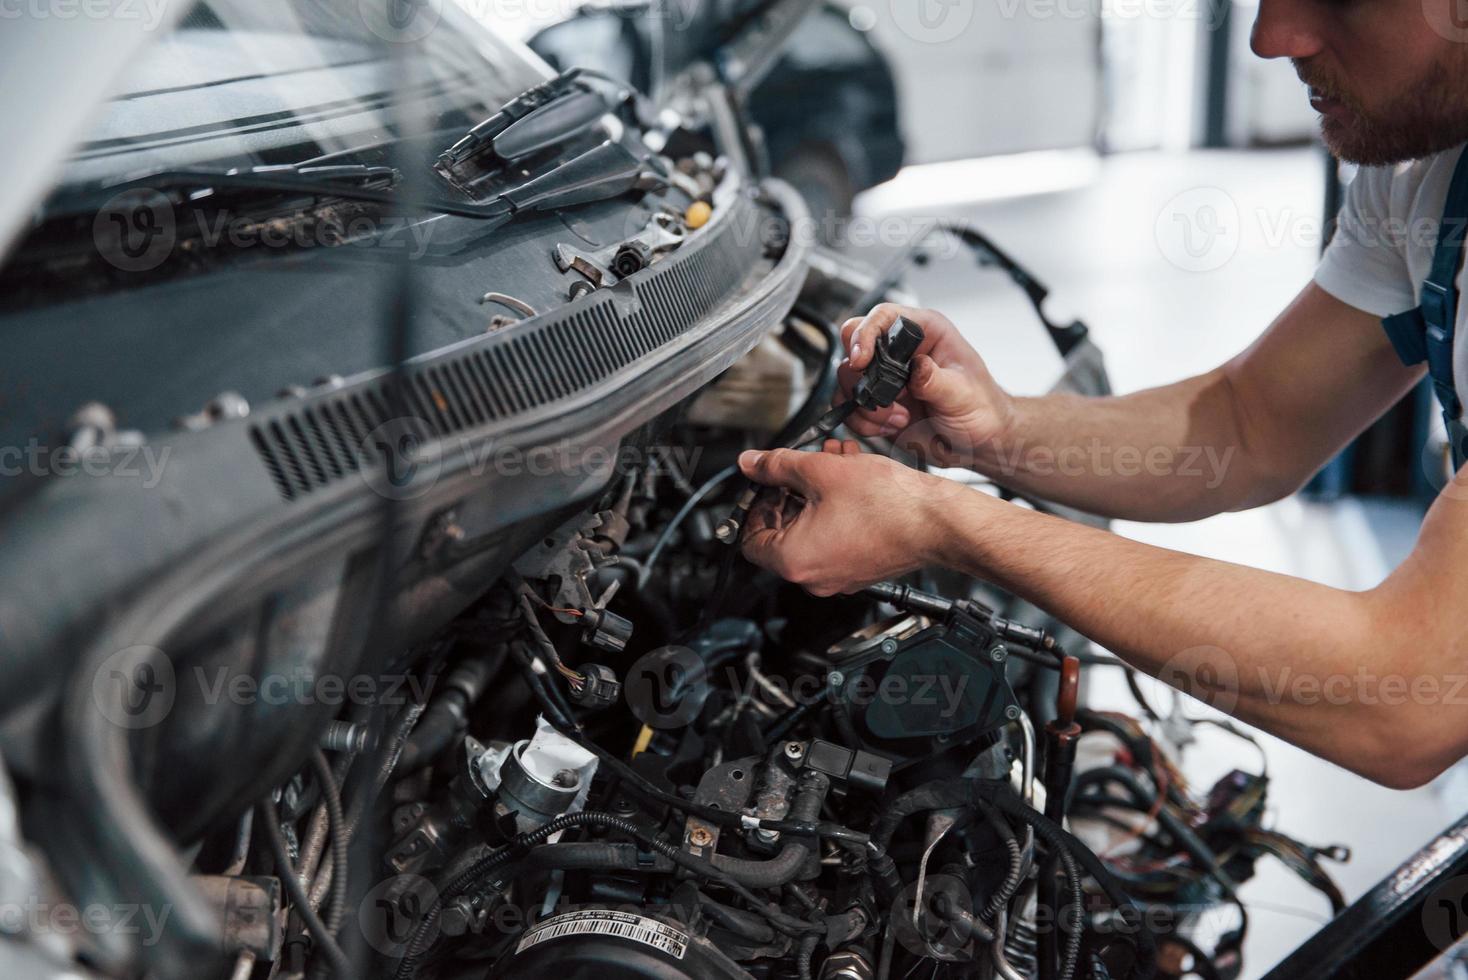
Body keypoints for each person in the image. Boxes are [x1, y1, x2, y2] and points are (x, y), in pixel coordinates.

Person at [736, 0, 1468, 790]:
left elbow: (1407, 694)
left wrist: (940, 522)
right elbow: (1248, 425)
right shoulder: (1425, 174)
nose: (1270, 39)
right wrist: (994, 430)